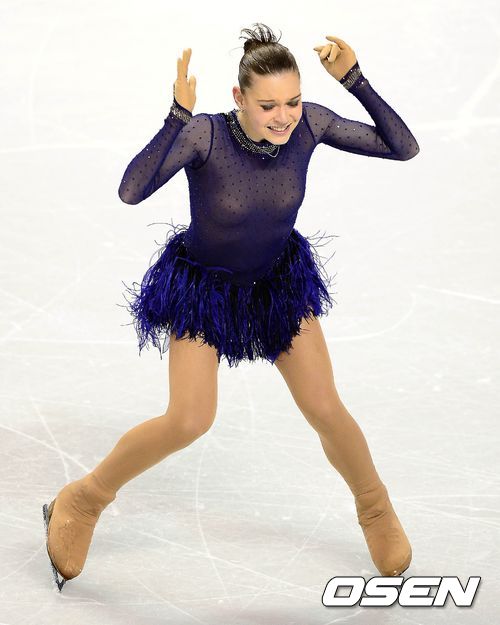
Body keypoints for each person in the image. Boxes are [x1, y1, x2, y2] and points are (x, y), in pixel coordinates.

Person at [42, 23, 420, 592]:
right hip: (205, 291)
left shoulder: (312, 123)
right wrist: (176, 116)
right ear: (239, 97)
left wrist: (355, 81)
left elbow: (403, 147)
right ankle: (84, 499)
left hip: (277, 284)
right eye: (268, 105)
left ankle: (374, 507)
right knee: (189, 420)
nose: (284, 117)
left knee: (325, 407)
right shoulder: (205, 134)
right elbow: (130, 190)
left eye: (292, 101)